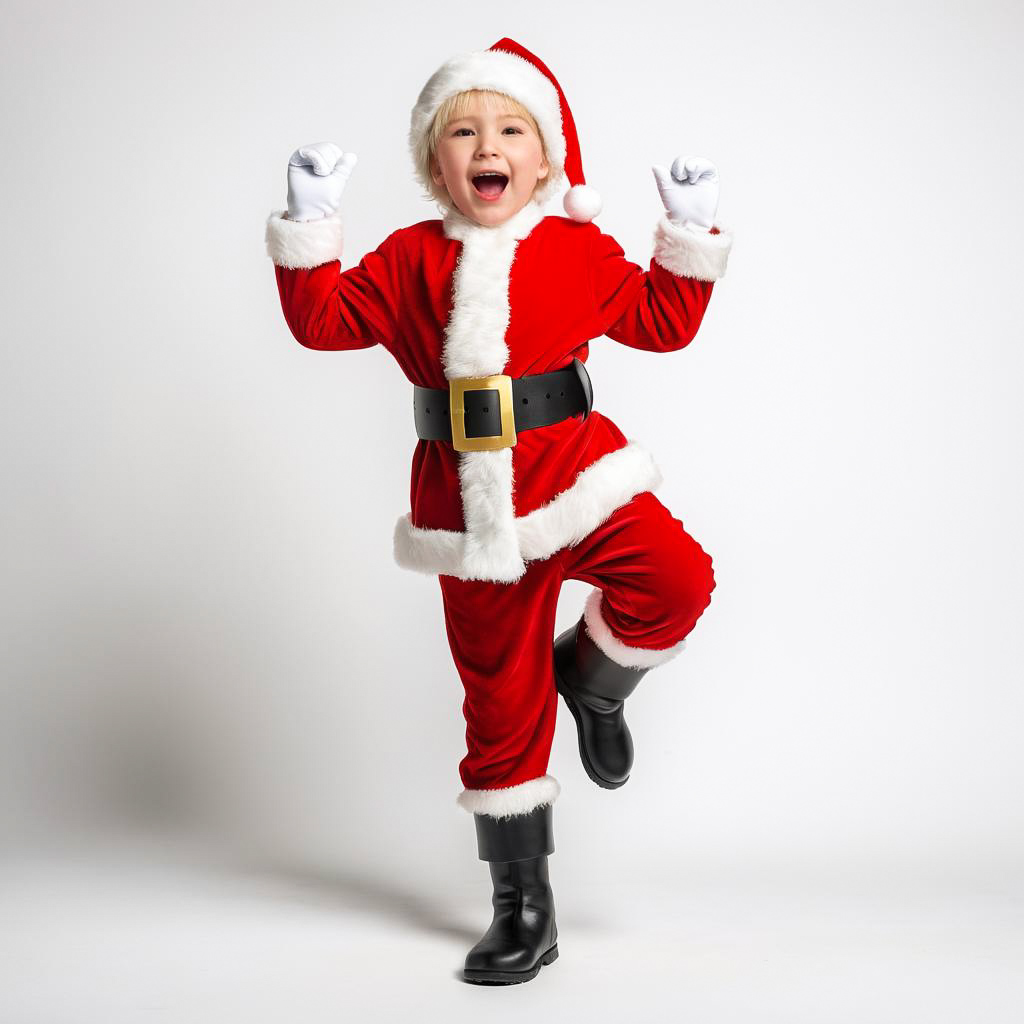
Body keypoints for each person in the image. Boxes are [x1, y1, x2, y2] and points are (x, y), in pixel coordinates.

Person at [264, 37, 733, 985]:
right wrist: (309, 222)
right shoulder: (406, 260)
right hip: (473, 523)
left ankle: (596, 680)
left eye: (512, 128)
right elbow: (321, 323)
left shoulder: (574, 247)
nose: (490, 145)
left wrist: (687, 237)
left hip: (579, 480)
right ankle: (524, 905)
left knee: (678, 580)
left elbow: (661, 324)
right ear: (435, 163)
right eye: (465, 131)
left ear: (545, 157)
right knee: (501, 707)